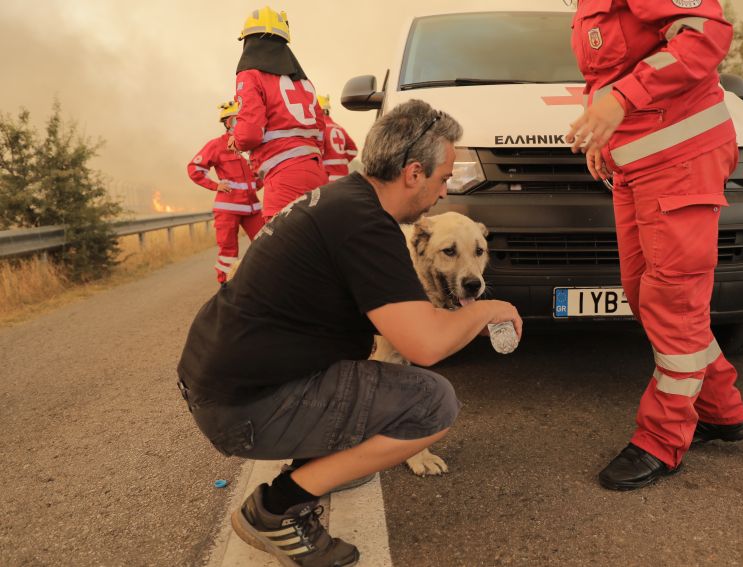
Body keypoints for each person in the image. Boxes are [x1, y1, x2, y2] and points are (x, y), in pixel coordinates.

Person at [176, 99, 522, 566]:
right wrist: (491, 310)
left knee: (369, 381)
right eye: (444, 179)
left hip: (221, 383)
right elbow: (425, 346)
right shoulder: (366, 228)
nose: (444, 192)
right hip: (240, 409)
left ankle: (315, 458)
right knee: (432, 402)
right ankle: (276, 510)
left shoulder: (344, 201)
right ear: (414, 173)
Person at [566, 0, 743, 491]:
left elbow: (705, 35)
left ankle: (662, 441)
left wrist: (623, 99)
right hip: (636, 165)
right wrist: (601, 138)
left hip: (682, 158)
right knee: (645, 294)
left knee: (673, 302)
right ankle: (721, 410)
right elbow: (612, 72)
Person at [230, 6, 328, 221]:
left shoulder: (250, 74)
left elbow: (249, 135)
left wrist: (235, 141)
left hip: (284, 177)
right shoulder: (304, 82)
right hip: (316, 172)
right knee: (316, 247)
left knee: (281, 251)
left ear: (248, 42)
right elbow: (321, 130)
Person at [187, 101, 264, 284]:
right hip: (228, 209)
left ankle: (264, 282)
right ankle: (227, 287)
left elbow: (260, 170)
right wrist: (215, 185)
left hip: (252, 208)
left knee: (266, 242)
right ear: (229, 122)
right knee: (228, 253)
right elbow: (194, 168)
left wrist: (257, 184)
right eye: (238, 120)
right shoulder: (217, 145)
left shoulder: (251, 145)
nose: (242, 123)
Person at [317, 94, 359, 181]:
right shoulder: (339, 128)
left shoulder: (320, 129)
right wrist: (341, 160)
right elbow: (353, 150)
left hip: (328, 179)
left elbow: (319, 153)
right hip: (343, 178)